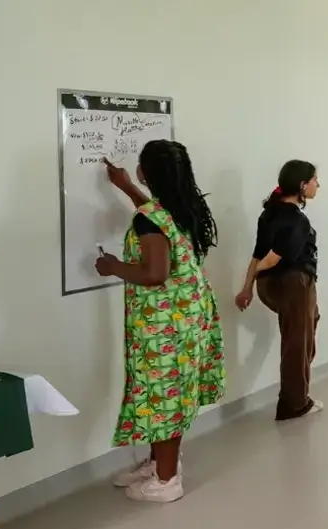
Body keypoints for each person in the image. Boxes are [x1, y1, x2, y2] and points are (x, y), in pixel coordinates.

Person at [96, 140, 226, 503]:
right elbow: (156, 215)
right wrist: (125, 187)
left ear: (147, 171)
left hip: (163, 324)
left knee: (163, 395)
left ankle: (167, 481)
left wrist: (112, 267)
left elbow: (155, 273)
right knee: (169, 392)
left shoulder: (148, 220)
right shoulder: (183, 208)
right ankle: (160, 462)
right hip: (187, 315)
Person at [235, 160, 323, 421]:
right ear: (301, 185)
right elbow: (270, 258)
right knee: (298, 344)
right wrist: (262, 272)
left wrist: (248, 287)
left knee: (302, 336)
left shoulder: (269, 213)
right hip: (293, 285)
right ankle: (294, 404)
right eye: (315, 180)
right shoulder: (297, 220)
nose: (318, 184)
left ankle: (294, 396)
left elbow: (256, 255)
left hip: (272, 286)